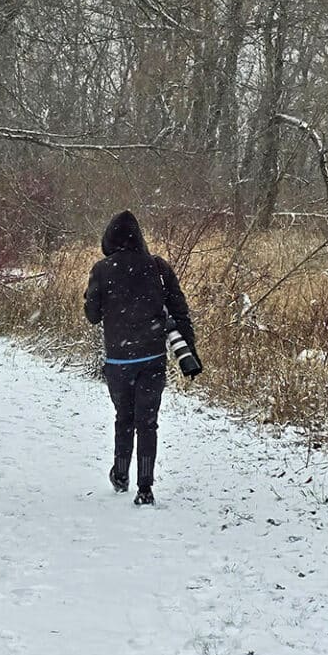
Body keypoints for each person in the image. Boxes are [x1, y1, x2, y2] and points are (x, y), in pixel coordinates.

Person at [83, 211, 202, 504]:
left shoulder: (102, 269)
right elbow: (179, 311)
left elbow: (92, 316)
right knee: (148, 422)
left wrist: (95, 295)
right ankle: (145, 488)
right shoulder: (158, 267)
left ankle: (120, 474)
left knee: (124, 418)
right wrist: (189, 352)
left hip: (119, 361)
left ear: (109, 239)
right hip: (153, 358)